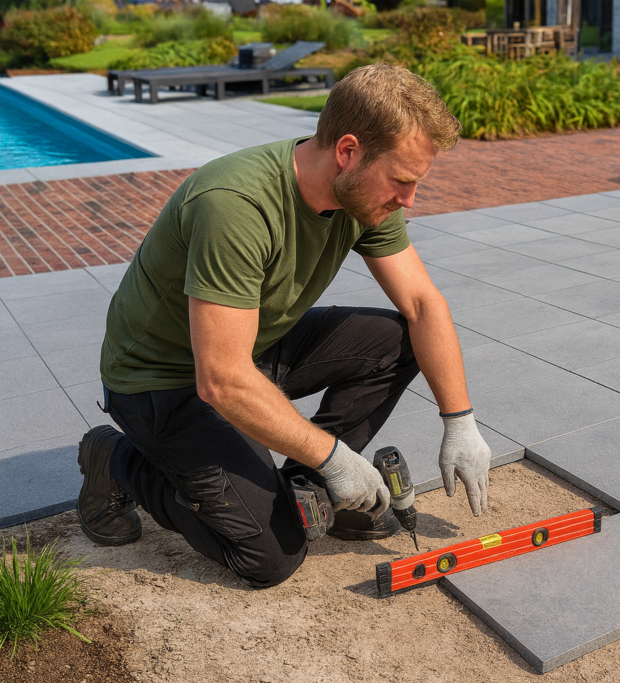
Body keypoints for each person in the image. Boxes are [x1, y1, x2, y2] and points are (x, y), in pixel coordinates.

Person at [75, 63, 492, 588]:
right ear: (348, 151)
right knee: (270, 558)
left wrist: (460, 421)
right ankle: (114, 460)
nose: (408, 200)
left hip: (248, 348)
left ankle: (307, 493)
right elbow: (221, 379)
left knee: (396, 341)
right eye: (402, 181)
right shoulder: (236, 205)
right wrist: (337, 457)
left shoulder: (363, 196)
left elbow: (423, 305)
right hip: (162, 380)